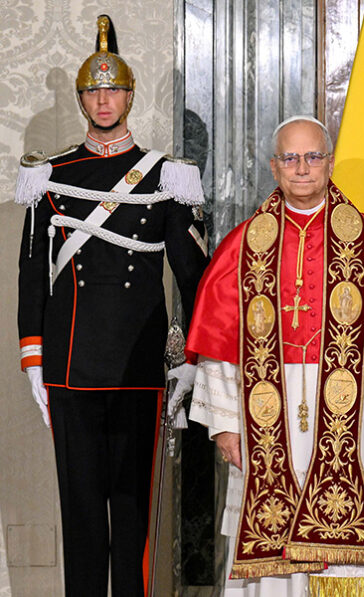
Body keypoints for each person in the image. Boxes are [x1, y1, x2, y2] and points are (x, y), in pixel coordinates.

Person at [186, 115, 364, 595]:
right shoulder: (242, 245)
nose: (302, 167)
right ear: (273, 167)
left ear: (329, 163)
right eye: (290, 157)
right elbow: (220, 343)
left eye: (313, 157)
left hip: (362, 406)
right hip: (265, 411)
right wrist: (224, 421)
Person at [14, 15, 208, 597]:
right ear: (82, 99)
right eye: (93, 91)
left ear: (129, 96)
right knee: (79, 518)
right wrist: (32, 359)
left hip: (137, 369)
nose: (104, 100)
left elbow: (193, 277)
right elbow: (31, 276)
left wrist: (192, 358)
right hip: (71, 369)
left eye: (113, 89)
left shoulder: (165, 177)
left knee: (133, 520)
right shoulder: (50, 177)